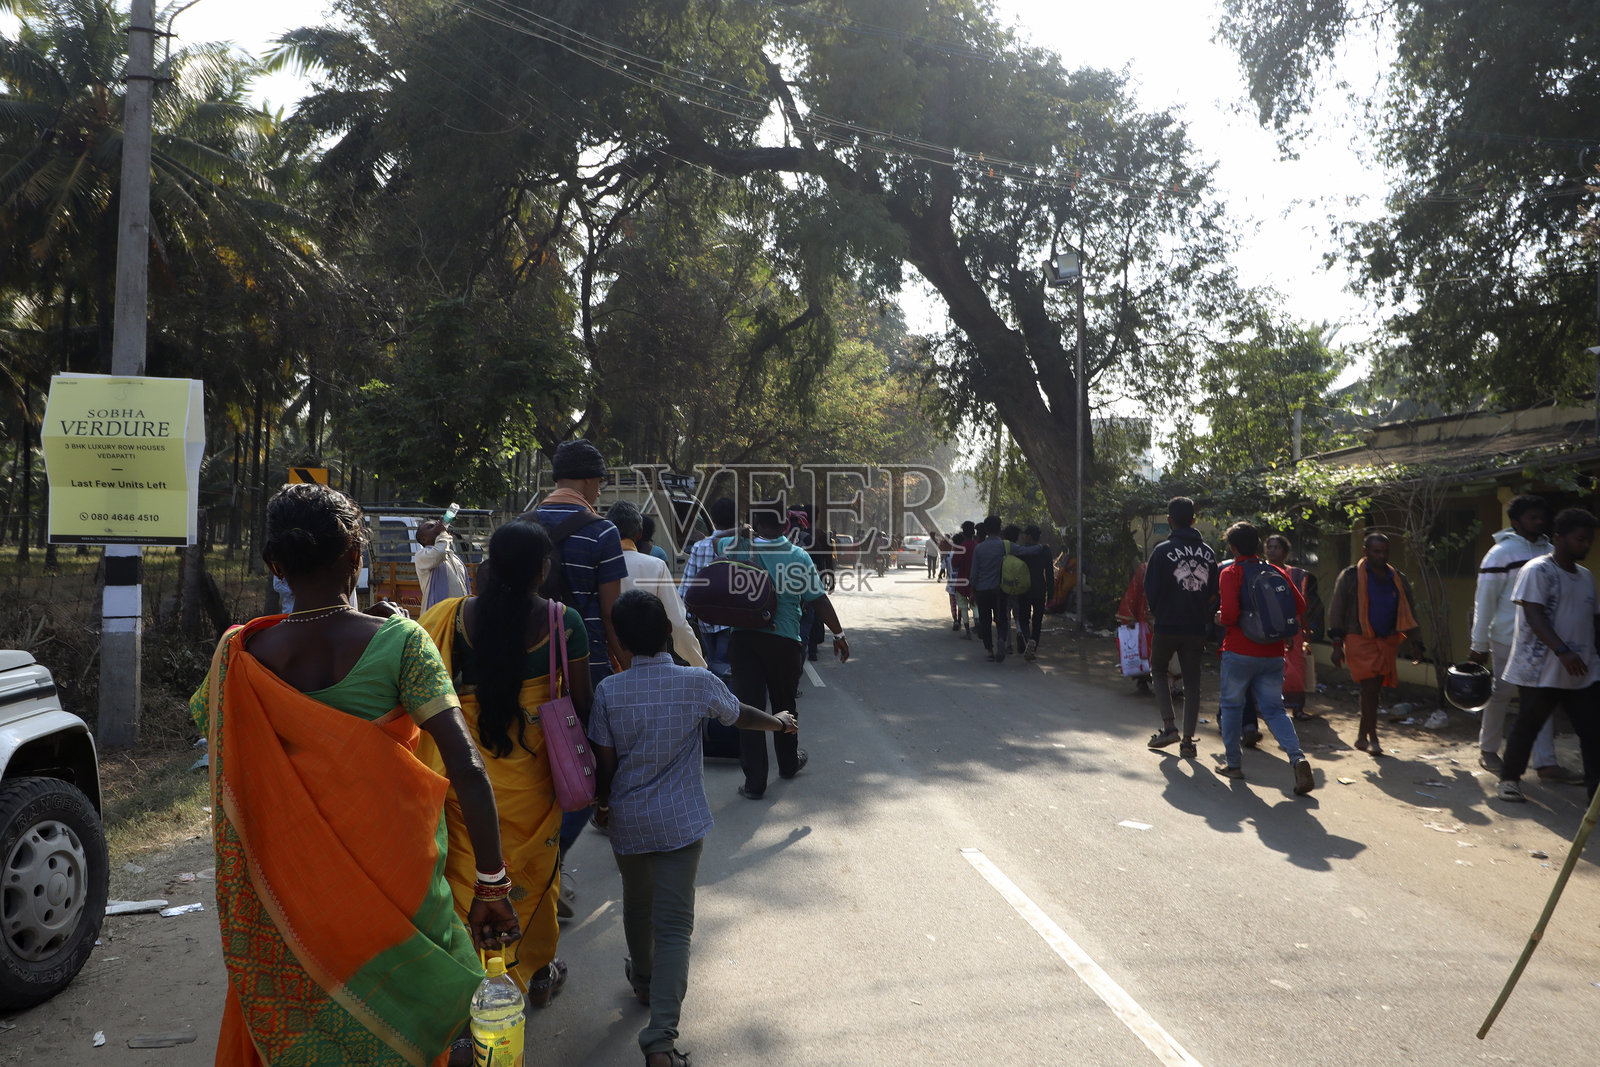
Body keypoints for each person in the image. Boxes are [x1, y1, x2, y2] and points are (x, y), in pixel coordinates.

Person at [191, 483, 519, 1067]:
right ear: (355, 554)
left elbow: (228, 752)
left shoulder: (238, 655)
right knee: (426, 1022)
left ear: (276, 566)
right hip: (402, 889)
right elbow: (467, 765)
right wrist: (491, 884)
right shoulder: (400, 644)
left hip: (293, 898)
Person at [589, 591, 798, 1067]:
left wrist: (603, 805)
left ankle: (642, 979)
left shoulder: (609, 692)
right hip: (682, 823)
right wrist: (780, 723)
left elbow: (604, 764)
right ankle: (660, 1040)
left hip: (630, 823)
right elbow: (740, 714)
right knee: (675, 928)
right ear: (668, 632)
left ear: (617, 641)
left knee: (637, 906)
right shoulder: (697, 682)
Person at [418, 520, 585, 1009]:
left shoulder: (451, 617)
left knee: (469, 880)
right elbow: (582, 703)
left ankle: (474, 988)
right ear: (542, 571)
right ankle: (533, 970)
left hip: (466, 787)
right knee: (534, 881)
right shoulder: (562, 622)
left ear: (487, 566)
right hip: (536, 784)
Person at [530, 438, 629, 910]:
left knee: (530, 770)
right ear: (591, 481)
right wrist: (626, 668)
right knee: (584, 772)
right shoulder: (602, 532)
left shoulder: (520, 526)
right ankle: (546, 870)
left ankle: (528, 868)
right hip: (580, 671)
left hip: (521, 668)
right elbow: (612, 615)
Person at [719, 509, 850, 798]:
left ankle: (755, 784)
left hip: (743, 639)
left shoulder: (737, 547)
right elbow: (817, 599)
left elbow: (716, 540)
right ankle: (788, 763)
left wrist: (741, 530)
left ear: (756, 523)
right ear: (786, 524)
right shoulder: (799, 556)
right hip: (785, 640)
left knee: (748, 708)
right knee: (785, 703)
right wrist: (838, 635)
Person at [1469, 496, 1580, 782]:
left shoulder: (1552, 551)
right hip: (1507, 639)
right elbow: (1485, 602)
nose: (1539, 522)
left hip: (1545, 640)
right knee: (1501, 694)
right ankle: (1489, 749)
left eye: (1542, 516)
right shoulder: (1500, 554)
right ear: (1516, 522)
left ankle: (1546, 763)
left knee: (1542, 700)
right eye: (1532, 517)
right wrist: (1478, 645)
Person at [1494, 507, 1600, 802]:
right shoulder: (1537, 570)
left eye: (1589, 540)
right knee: (1528, 725)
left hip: (1583, 670)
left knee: (1593, 732)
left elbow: (1593, 621)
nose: (1586, 545)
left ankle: (1596, 791)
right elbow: (1534, 615)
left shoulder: (1586, 577)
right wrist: (1562, 651)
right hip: (1540, 668)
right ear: (1558, 538)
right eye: (1580, 539)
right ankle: (1509, 780)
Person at [1215, 521, 1317, 794]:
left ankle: (1233, 764)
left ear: (1233, 547)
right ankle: (1297, 758)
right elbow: (1300, 605)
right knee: (1274, 709)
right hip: (1273, 653)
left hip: (1238, 651)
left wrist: (1218, 618)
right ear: (1259, 546)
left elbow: (1230, 615)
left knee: (1232, 706)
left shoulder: (1230, 572)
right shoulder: (1274, 571)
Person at [1328, 532, 1425, 756]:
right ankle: (1373, 738)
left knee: (1373, 690)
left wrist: (1416, 642)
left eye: (1385, 552)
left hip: (1388, 641)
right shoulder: (1351, 576)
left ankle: (1362, 736)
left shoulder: (1397, 578)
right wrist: (1336, 645)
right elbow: (1337, 610)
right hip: (1359, 640)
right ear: (1365, 552)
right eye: (1376, 551)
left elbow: (1409, 613)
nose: (1381, 556)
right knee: (1370, 688)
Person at [1143, 497, 1218, 758]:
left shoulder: (1162, 551)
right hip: (1196, 627)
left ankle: (1169, 727)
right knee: (1193, 682)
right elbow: (1213, 593)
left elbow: (1150, 590)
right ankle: (1187, 741)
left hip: (1167, 624)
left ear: (1169, 520)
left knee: (1159, 671)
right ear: (1194, 520)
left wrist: (1158, 611)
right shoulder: (1209, 553)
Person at [608, 501, 707, 668]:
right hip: (649, 661)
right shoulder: (655, 566)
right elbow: (677, 622)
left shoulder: (597, 565)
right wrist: (699, 665)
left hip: (606, 662)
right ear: (640, 533)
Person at [680, 497, 739, 678]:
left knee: (714, 662)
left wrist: (685, 616)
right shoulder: (742, 545)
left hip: (705, 618)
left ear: (712, 520)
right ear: (736, 519)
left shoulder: (699, 546)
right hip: (733, 619)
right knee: (724, 666)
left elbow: (687, 585)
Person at [1264, 534, 1319, 721]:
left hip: (1292, 628)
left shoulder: (1295, 575)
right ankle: (1269, 709)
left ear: (1285, 552)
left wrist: (1306, 631)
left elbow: (1301, 605)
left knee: (1295, 669)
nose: (1272, 550)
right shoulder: (1259, 571)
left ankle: (1297, 709)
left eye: (1276, 547)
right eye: (1269, 546)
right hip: (1266, 628)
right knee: (1269, 670)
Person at [1004, 524, 1053, 659]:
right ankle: (1033, 644)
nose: (1024, 537)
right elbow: (1049, 575)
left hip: (1024, 588)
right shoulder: (1045, 551)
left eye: (1026, 535)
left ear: (1030, 536)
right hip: (1040, 589)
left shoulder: (1021, 550)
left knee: (1024, 618)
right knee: (1037, 620)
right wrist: (1051, 596)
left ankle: (1027, 638)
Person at [970, 516, 1013, 662]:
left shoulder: (979, 548)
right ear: (1000, 528)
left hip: (982, 590)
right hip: (1000, 590)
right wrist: (1040, 547)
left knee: (985, 620)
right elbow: (1024, 551)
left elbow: (974, 573)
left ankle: (989, 650)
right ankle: (1001, 638)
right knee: (1001, 618)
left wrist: (972, 591)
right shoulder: (1005, 546)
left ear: (986, 530)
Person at [413, 516, 470, 613]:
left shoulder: (453, 557)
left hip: (457, 616)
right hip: (438, 616)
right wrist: (443, 533)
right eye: (430, 527)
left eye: (436, 524)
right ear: (424, 539)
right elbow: (439, 553)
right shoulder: (422, 555)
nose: (436, 526)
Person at [1115, 561, 1154, 691]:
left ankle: (1168, 684)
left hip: (1163, 619)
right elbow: (1134, 590)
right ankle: (1142, 679)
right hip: (1145, 618)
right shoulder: (1144, 569)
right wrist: (1130, 616)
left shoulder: (1173, 568)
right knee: (1142, 650)